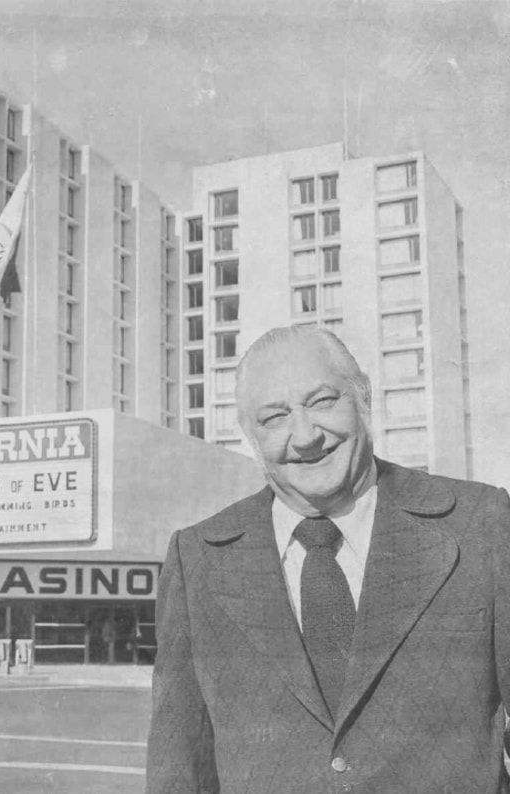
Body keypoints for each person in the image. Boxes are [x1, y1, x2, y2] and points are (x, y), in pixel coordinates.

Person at [146, 325, 510, 793]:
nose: (304, 436)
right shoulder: (197, 557)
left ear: (364, 399)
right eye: (274, 417)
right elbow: (180, 766)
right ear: (250, 436)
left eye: (321, 402)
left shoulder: (482, 523)